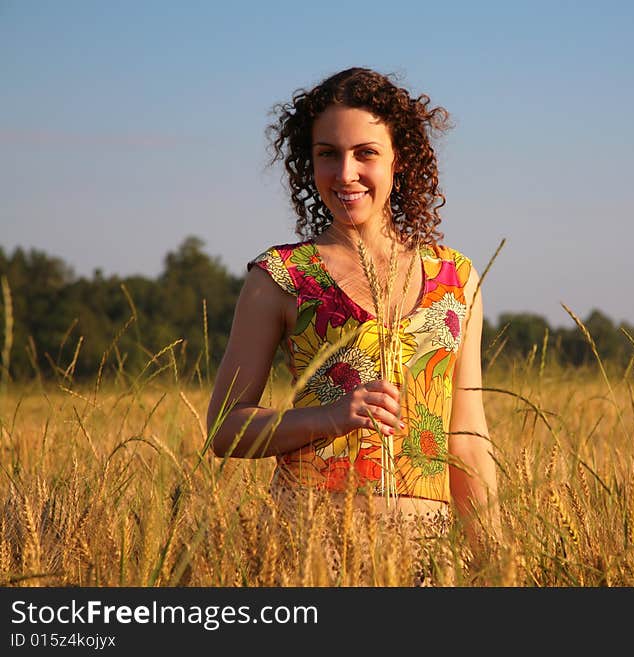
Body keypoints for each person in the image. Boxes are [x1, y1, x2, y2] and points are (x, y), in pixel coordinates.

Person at [206, 67, 498, 563]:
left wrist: (495, 566)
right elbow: (224, 429)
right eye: (328, 155)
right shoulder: (279, 276)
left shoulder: (458, 278)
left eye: (366, 153)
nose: (345, 174)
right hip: (309, 549)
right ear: (308, 163)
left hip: (428, 554)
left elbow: (468, 440)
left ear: (398, 159)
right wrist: (331, 417)